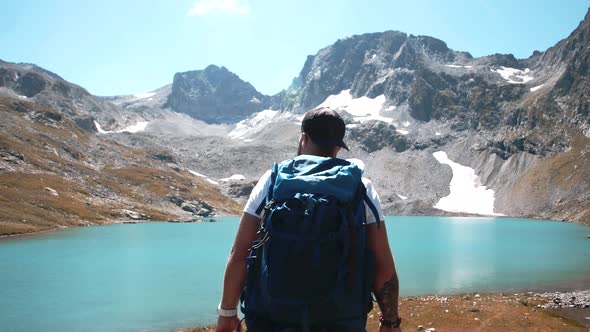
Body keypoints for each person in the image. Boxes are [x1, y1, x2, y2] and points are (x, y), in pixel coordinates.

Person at [216, 107, 401, 332]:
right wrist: (391, 322)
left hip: (271, 319)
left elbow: (240, 253)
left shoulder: (273, 180)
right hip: (340, 321)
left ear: (303, 137)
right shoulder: (360, 187)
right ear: (337, 145)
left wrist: (227, 313)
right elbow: (382, 262)